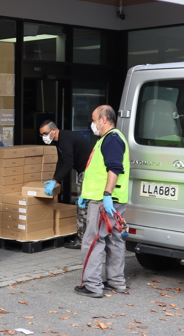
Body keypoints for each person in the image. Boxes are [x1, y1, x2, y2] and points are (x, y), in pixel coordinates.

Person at [74, 105, 130, 298]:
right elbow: (97, 171)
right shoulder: (110, 139)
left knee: (93, 241)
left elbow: (114, 168)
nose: (92, 123)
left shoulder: (111, 139)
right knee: (114, 240)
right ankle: (116, 282)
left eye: (94, 119)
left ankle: (92, 285)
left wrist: (106, 194)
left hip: (103, 201)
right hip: (112, 199)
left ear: (103, 120)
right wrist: (85, 194)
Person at [39, 120, 92, 249]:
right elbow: (61, 161)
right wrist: (54, 178)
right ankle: (86, 239)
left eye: (45, 133)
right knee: (84, 206)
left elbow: (68, 164)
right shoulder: (60, 140)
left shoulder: (65, 140)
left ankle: (82, 240)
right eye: (41, 135)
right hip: (86, 171)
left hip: (89, 173)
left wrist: (55, 181)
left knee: (82, 207)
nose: (43, 137)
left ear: (54, 130)